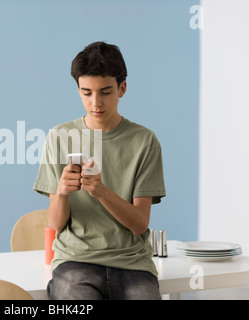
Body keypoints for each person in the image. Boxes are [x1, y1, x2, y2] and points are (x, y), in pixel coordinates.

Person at [33, 41, 166, 300]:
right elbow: (56, 224)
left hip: (133, 264)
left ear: (122, 88)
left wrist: (102, 191)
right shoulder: (59, 137)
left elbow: (140, 224)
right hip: (75, 261)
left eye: (105, 92)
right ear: (78, 90)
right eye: (86, 93)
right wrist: (61, 193)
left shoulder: (144, 142)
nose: (96, 103)